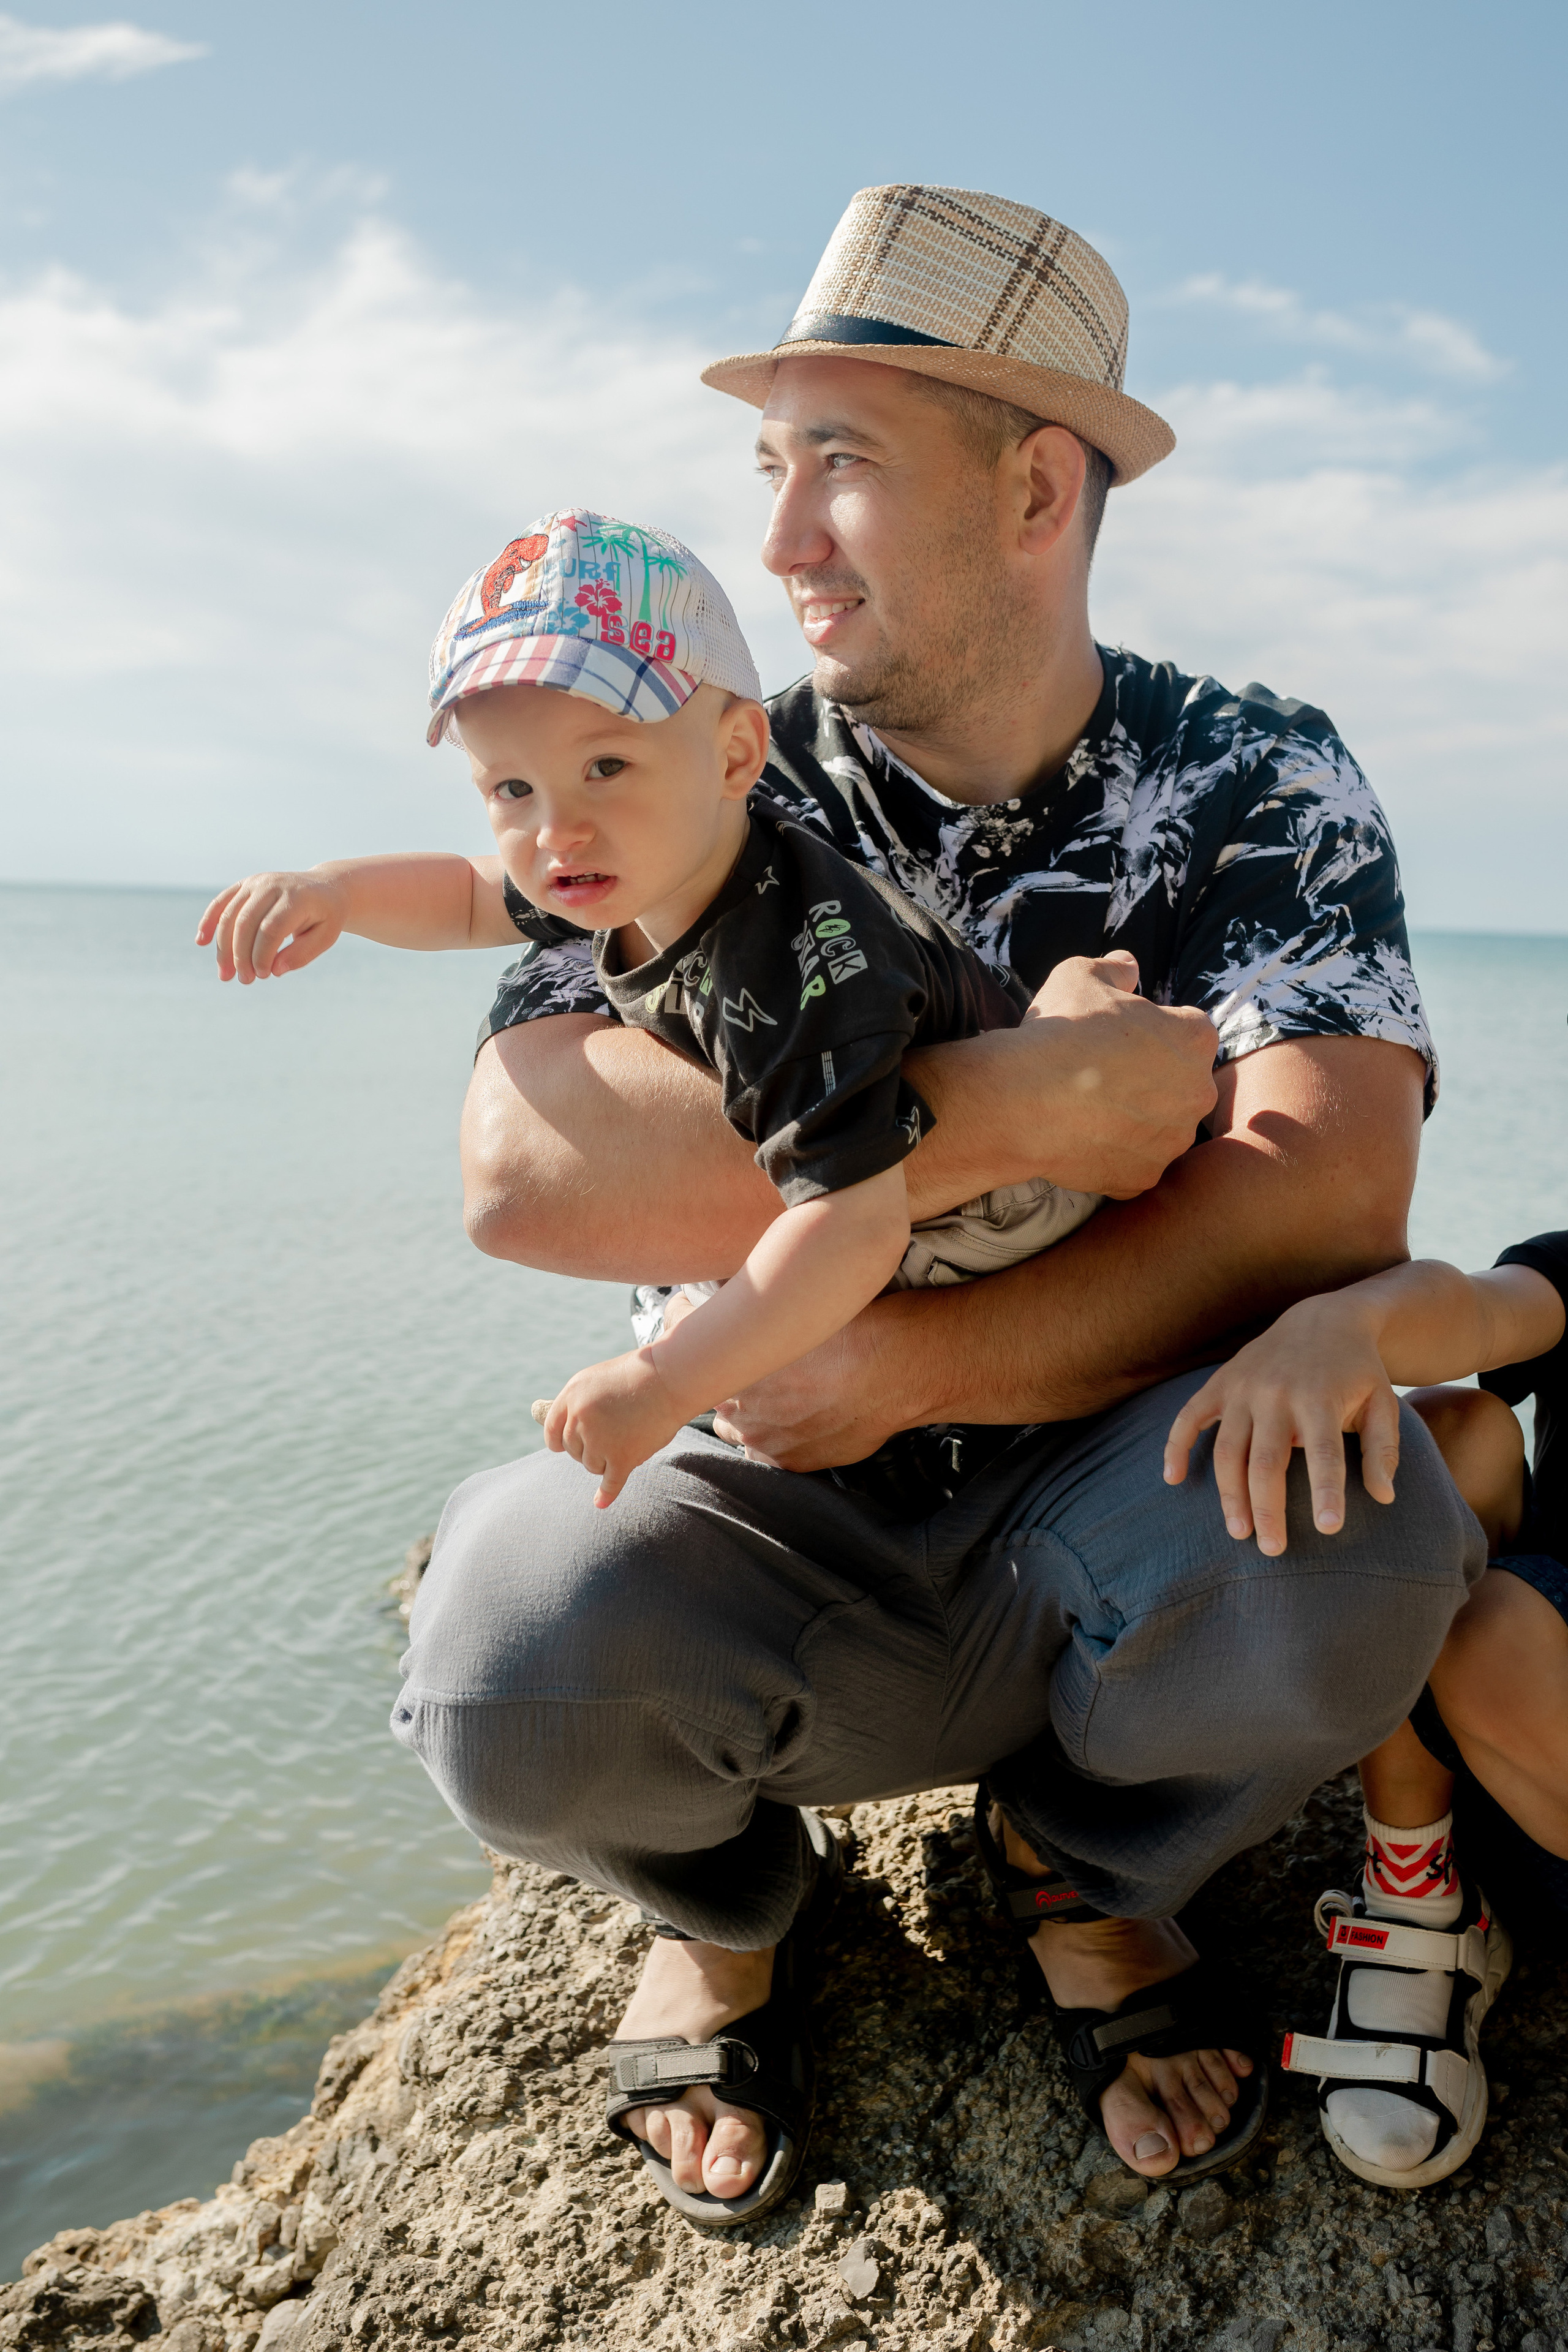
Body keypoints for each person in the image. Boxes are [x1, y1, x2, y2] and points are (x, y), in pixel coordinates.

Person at [392, 183, 1478, 2223]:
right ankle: (728, 1906)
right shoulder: (694, 769)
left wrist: (914, 1358)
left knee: (1368, 1533)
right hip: (761, 1504)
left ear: (1037, 488)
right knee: (501, 1657)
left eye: (843, 464)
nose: (780, 539)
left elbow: (1328, 1188)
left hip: (1120, 1524)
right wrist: (1004, 1112)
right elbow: (525, 1168)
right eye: (769, 468)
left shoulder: (1252, 773)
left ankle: (1078, 1869)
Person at [202, 507, 1102, 1510]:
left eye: (606, 767)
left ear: (733, 756)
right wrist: (336, 892)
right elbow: (468, 896)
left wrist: (668, 1383)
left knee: (793, 1300)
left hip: (1009, 1221)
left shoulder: (793, 958)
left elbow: (856, 1221)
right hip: (865, 1174)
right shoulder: (622, 861)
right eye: (511, 787)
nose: (557, 829)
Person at [1164, 1234, 1568, 2186]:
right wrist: (1342, 1324)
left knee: (1490, 1631)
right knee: (1439, 1438)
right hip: (1521, 1740)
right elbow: (1480, 1309)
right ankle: (1418, 1883)